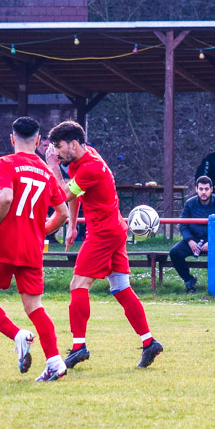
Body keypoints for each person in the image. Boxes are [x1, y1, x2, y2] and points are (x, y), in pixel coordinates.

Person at [46, 120, 161, 368]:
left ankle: (79, 347)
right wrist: (72, 225)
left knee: (78, 285)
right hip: (114, 229)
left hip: (103, 234)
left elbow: (62, 195)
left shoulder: (91, 167)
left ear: (73, 144)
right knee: (121, 287)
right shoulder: (83, 158)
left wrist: (52, 167)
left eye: (58, 146)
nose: (56, 151)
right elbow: (76, 193)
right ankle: (149, 342)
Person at [0, 117, 70, 381]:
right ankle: (55, 362)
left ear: (12, 138)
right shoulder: (46, 172)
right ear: (38, 141)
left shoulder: (6, 162)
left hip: (4, 246)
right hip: (31, 249)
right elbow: (63, 214)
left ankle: (18, 335)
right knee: (35, 307)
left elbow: (6, 197)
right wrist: (38, 231)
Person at [168, 176, 215, 292]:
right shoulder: (189, 203)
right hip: (193, 238)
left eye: (206, 189)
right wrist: (190, 240)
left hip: (213, 238)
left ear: (211, 189)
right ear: (196, 189)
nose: (204, 192)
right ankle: (188, 280)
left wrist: (211, 241)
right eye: (201, 189)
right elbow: (183, 225)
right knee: (174, 252)